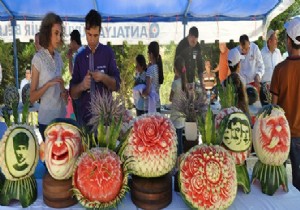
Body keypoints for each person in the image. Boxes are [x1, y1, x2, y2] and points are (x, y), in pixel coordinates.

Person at [70, 9, 121, 127]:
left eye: (95, 35)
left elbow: (116, 85)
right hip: (85, 120)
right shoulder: (79, 57)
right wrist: (82, 85)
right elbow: (72, 93)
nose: (92, 39)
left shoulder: (107, 53)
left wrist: (104, 77)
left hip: (105, 121)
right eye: (89, 35)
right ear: (85, 31)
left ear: (100, 32)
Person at [270, 17, 300, 191]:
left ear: (289, 40)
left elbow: (274, 108)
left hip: (283, 135)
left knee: (282, 185)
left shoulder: (280, 69)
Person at [30, 13, 68, 141]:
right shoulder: (38, 59)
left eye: (60, 34)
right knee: (50, 161)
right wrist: (47, 84)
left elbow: (59, 88)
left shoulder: (58, 57)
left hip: (62, 118)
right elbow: (32, 97)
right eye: (55, 33)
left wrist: (63, 92)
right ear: (47, 33)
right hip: (47, 121)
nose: (58, 37)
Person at [169, 56, 187, 156]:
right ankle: (181, 158)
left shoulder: (175, 83)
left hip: (175, 116)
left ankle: (178, 160)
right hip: (182, 115)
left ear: (176, 69)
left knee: (176, 141)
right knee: (180, 138)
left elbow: (170, 98)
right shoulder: (184, 82)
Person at [260, 29, 283, 106]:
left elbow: (282, 67)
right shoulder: (261, 53)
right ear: (269, 41)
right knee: (266, 112)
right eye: (275, 39)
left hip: (277, 88)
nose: (277, 41)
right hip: (265, 89)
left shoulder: (278, 52)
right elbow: (258, 69)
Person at [225, 48, 250, 118]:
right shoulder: (243, 81)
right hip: (242, 119)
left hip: (228, 119)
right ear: (239, 64)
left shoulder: (223, 82)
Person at [142, 41, 162, 113]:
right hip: (157, 105)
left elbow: (147, 91)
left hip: (150, 106)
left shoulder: (150, 69)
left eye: (148, 53)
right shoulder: (158, 67)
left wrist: (140, 92)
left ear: (151, 54)